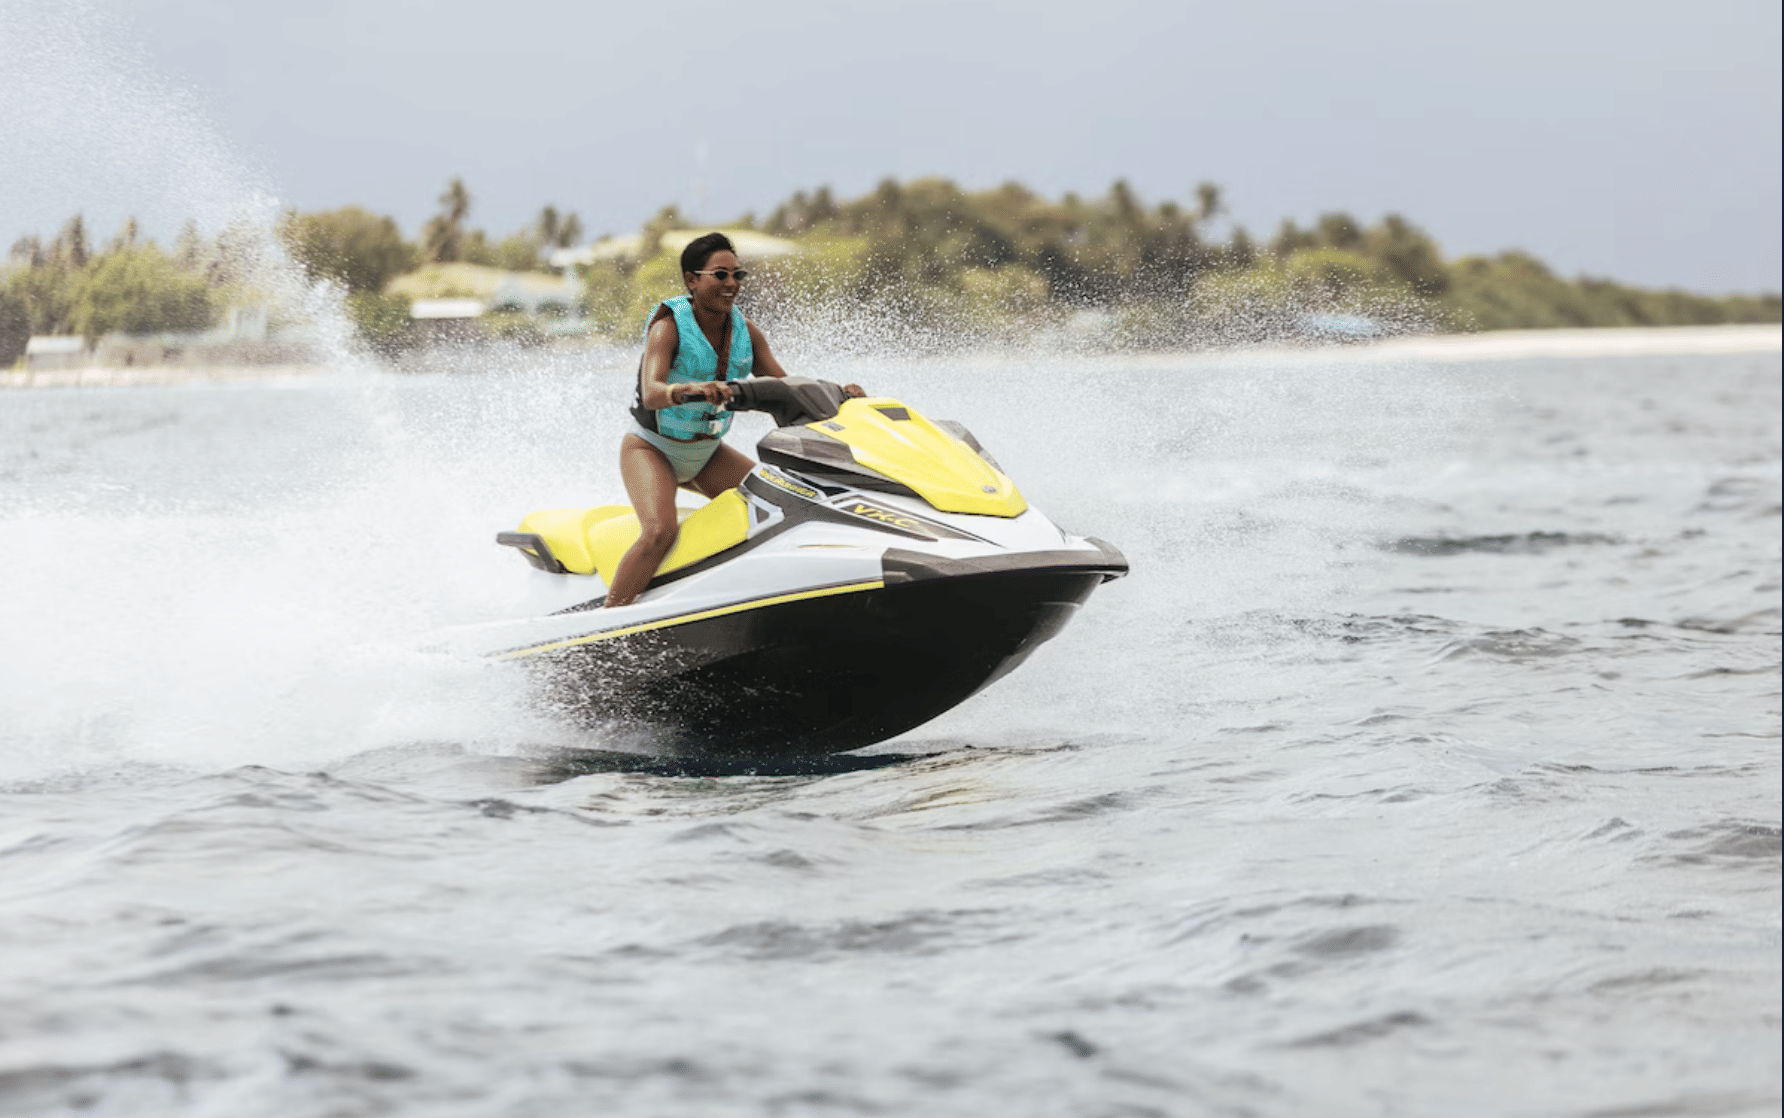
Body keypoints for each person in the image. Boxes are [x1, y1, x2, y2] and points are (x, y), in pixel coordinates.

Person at [606, 232, 859, 608]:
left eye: (738, 276)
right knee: (660, 530)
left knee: (784, 504)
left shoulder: (747, 332)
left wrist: (839, 393)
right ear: (692, 280)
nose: (731, 284)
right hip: (652, 448)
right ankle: (612, 619)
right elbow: (653, 392)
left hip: (708, 453)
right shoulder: (668, 327)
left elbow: (783, 386)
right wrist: (692, 388)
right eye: (720, 275)